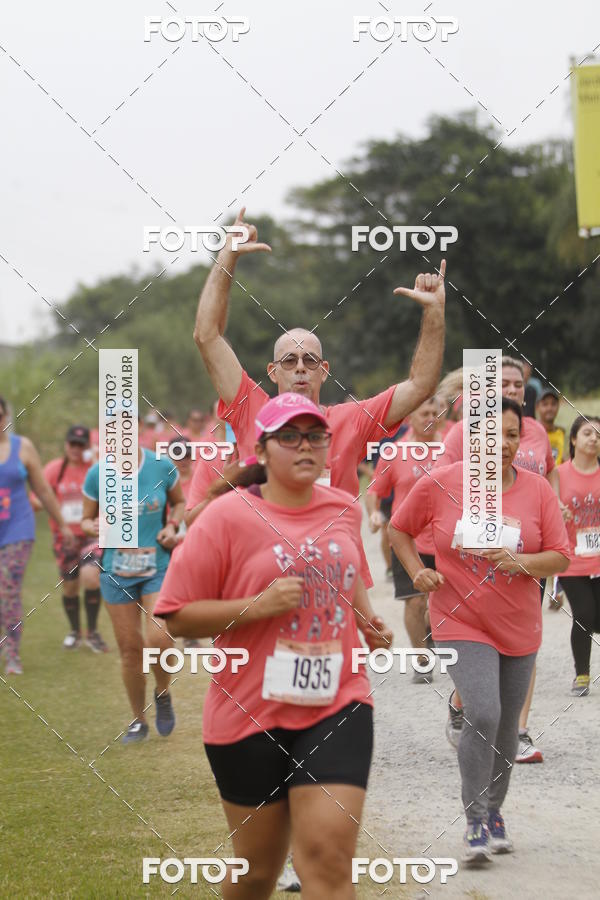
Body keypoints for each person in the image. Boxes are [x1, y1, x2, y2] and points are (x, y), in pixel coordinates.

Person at [154, 393, 388, 898]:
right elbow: (174, 613)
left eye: (315, 436)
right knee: (257, 871)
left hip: (337, 700)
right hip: (249, 712)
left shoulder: (344, 507)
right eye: (289, 436)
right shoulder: (224, 518)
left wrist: (367, 619)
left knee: (327, 859)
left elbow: (343, 574)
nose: (305, 446)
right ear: (260, 449)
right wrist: (254, 606)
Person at [389, 397, 569, 864]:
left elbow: (561, 555)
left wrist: (523, 562)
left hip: (519, 625)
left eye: (512, 435)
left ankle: (494, 812)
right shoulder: (442, 483)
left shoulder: (537, 492)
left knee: (507, 729)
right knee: (483, 712)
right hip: (459, 619)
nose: (503, 444)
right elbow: (399, 529)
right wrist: (417, 572)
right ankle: (474, 821)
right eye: (493, 435)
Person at [436, 356, 567, 762]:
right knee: (478, 637)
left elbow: (549, 473)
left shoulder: (537, 434)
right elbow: (441, 484)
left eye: (516, 384)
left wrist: (555, 502)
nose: (510, 390)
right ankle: (465, 706)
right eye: (502, 383)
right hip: (471, 556)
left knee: (523, 638)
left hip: (525, 549)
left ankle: (518, 730)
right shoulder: (462, 431)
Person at [81, 443, 185, 743]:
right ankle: (138, 720)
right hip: (116, 571)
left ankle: (163, 692)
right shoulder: (98, 474)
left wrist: (173, 526)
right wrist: (94, 526)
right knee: (130, 650)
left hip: (157, 566)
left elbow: (179, 502)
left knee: (159, 637)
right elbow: (86, 520)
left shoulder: (161, 466)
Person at [366, 397, 442, 682]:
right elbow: (374, 491)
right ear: (410, 417)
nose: (431, 417)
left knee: (441, 603)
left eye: (436, 412)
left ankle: (433, 636)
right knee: (415, 601)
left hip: (446, 540)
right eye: (425, 412)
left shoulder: (451, 449)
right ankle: (422, 659)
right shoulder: (394, 453)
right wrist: (374, 514)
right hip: (407, 539)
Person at [0, 396, 76, 674]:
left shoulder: (23, 448)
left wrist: (64, 525)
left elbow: (43, 490)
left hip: (17, 529)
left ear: (6, 416)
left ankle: (12, 653)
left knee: (8, 588)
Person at [30, 425, 107, 652]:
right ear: (66, 445)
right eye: (72, 443)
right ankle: (75, 632)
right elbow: (39, 498)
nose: (75, 448)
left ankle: (92, 632)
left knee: (91, 577)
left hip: (91, 535)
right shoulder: (55, 469)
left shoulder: (96, 469)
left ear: (87, 447)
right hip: (65, 537)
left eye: (80, 445)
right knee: (70, 587)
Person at [558, 415, 600, 696]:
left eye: (598, 434)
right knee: (584, 614)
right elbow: (544, 509)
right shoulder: (559, 475)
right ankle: (582, 675)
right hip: (571, 559)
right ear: (573, 439)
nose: (594, 438)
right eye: (588, 433)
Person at [536, 387, 565, 465]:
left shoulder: (561, 432)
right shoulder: (532, 431)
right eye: (545, 404)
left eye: (553, 404)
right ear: (537, 407)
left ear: (558, 406)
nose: (549, 408)